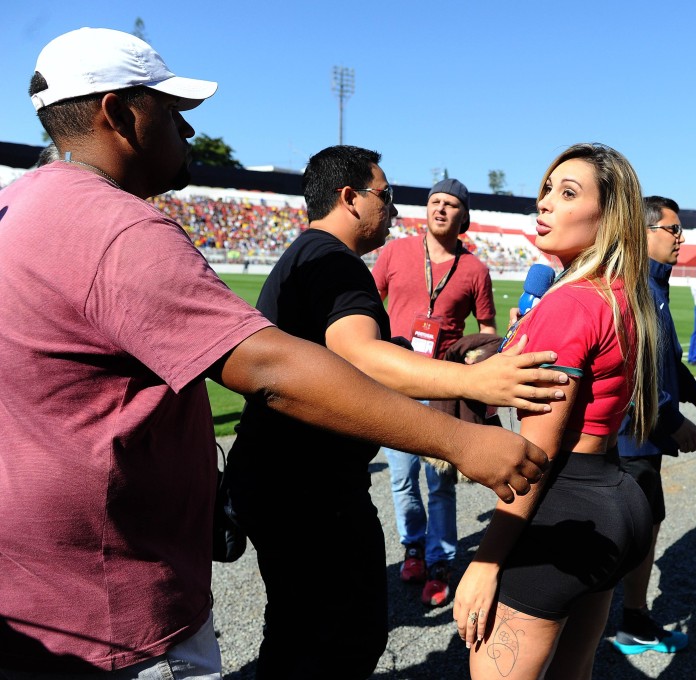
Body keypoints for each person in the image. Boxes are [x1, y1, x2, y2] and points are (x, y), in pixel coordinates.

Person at [0, 27, 552, 678]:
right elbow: (270, 368)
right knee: (322, 647)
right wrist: (463, 440)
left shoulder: (20, 204)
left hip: (43, 582)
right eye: (171, 111)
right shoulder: (116, 228)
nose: (187, 131)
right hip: (112, 603)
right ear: (119, 114)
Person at [224, 146, 568, 679]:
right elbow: (358, 353)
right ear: (349, 198)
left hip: (278, 480)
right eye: (384, 196)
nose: (393, 208)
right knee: (341, 639)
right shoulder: (336, 261)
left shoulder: (307, 255)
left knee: (297, 631)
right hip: (312, 490)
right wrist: (472, 380)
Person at [453, 142, 660, 680]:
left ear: (607, 216)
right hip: (615, 496)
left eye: (567, 193)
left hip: (566, 508)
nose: (544, 203)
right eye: (546, 190)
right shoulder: (620, 295)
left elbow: (536, 454)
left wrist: (487, 559)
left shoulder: (570, 301)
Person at [612, 196, 696, 656]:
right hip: (627, 439)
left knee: (644, 529)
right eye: (673, 229)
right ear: (644, 232)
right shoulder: (632, 287)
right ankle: (584, 635)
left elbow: (669, 363)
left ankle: (633, 620)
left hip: (646, 438)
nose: (681, 238)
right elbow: (634, 370)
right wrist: (672, 420)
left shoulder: (656, 286)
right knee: (618, 537)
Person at [372, 178, 498, 606]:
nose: (441, 209)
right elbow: (369, 305)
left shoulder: (476, 269)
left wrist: (479, 361)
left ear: (464, 216)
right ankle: (412, 546)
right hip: (395, 381)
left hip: (442, 386)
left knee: (440, 481)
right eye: (435, 202)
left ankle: (440, 559)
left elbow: (487, 331)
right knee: (403, 476)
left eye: (451, 204)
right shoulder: (394, 252)